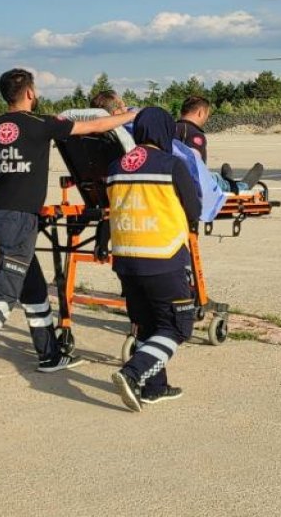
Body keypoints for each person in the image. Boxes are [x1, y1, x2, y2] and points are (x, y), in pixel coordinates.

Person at [0, 68, 137, 392]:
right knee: (4, 297)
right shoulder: (41, 125)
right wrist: (129, 116)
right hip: (18, 220)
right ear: (29, 93)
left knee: (34, 290)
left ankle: (49, 355)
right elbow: (95, 125)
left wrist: (5, 192)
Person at [108, 107, 201, 411]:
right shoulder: (171, 164)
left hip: (125, 259)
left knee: (147, 326)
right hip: (163, 256)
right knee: (177, 326)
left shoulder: (115, 167)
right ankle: (133, 373)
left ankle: (155, 387)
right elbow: (193, 209)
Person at [175, 96, 263, 193]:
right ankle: (243, 185)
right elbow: (193, 162)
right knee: (220, 181)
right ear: (200, 113)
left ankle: (227, 179)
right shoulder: (195, 134)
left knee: (215, 178)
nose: (207, 119)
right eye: (207, 115)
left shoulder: (169, 129)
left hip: (172, 179)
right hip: (193, 183)